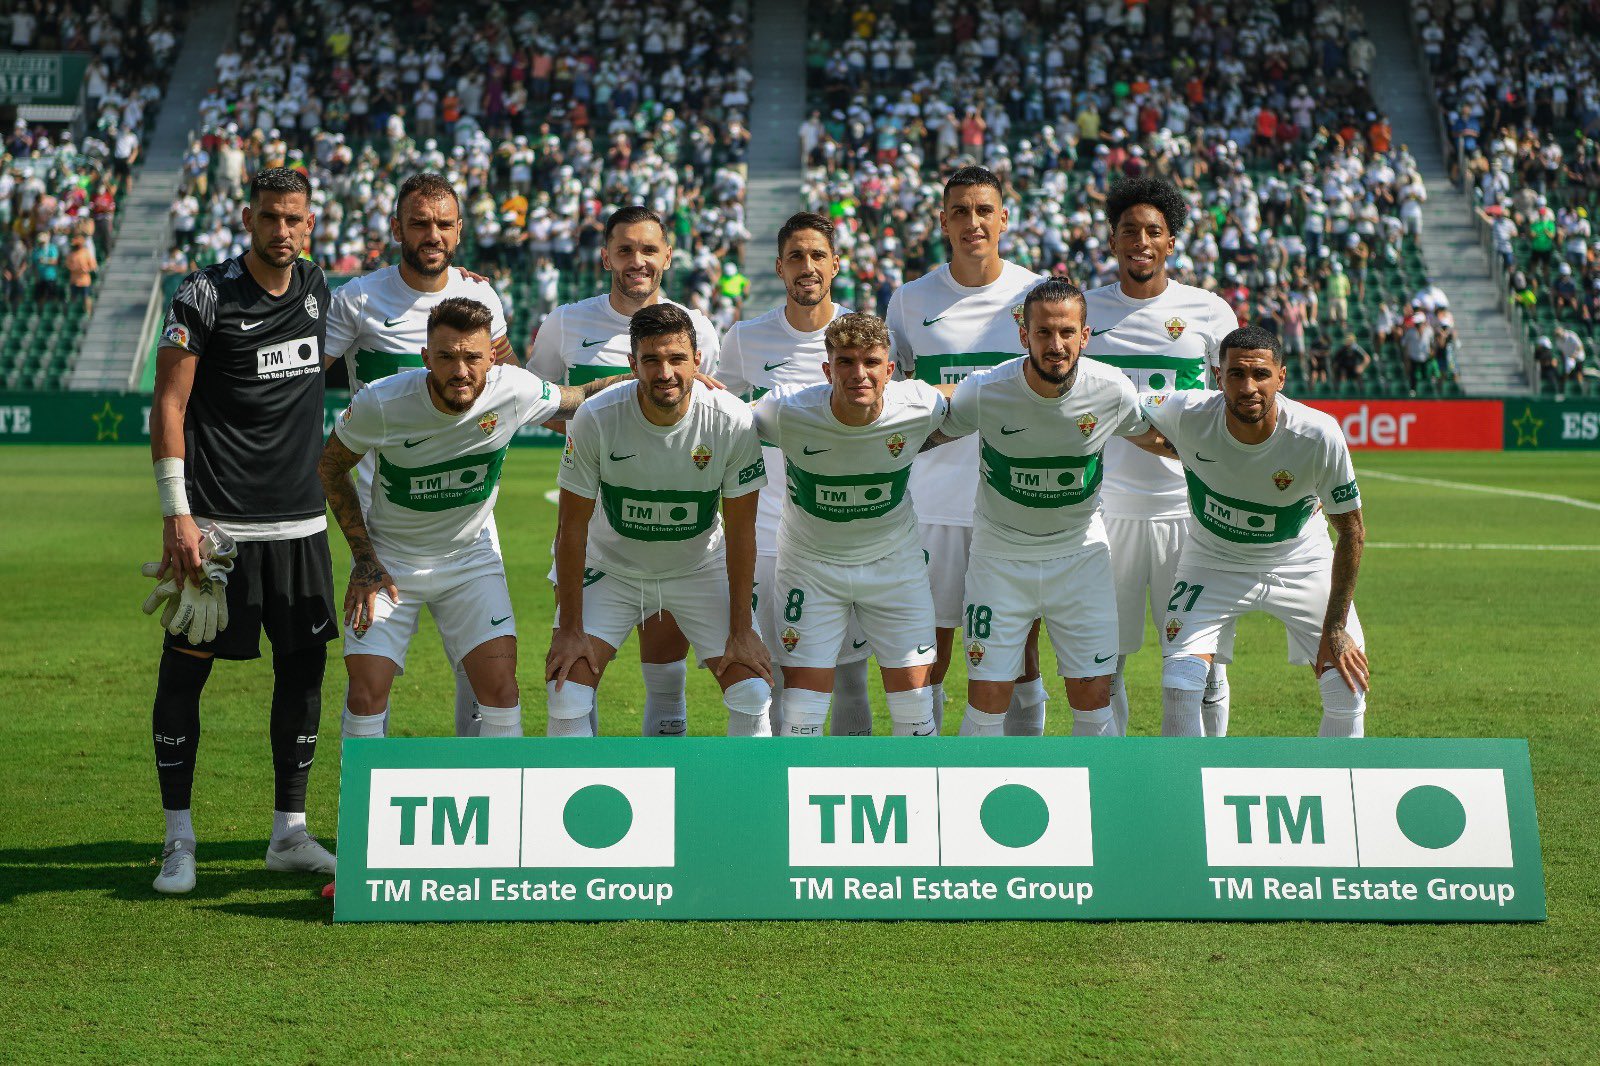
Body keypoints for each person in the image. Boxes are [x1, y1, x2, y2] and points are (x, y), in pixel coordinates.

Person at [143, 167, 336, 894]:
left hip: (301, 527)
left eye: (294, 219)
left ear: (309, 223)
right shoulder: (206, 292)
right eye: (269, 218)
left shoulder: (319, 290)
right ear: (247, 216)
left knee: (304, 672)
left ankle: (289, 832)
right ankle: (178, 839)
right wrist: (177, 514)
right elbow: (169, 402)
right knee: (183, 677)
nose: (281, 230)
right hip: (217, 530)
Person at [319, 297, 620, 743]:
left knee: (501, 693)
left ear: (490, 358)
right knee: (365, 696)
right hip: (391, 563)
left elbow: (579, 398)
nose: (460, 370)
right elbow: (330, 466)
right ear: (426, 358)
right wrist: (364, 559)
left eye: (472, 357)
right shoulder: (381, 402)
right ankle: (360, 811)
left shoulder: (513, 388)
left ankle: (499, 809)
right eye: (446, 357)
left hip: (469, 561)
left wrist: (656, 378)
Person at [323, 172, 513, 738]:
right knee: (369, 688)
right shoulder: (358, 299)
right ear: (398, 228)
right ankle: (364, 815)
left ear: (459, 231)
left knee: (482, 676)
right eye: (419, 223)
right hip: (386, 526)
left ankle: (486, 799)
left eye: (443, 224)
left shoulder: (481, 295)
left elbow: (509, 383)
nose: (432, 234)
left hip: (468, 522)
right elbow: (303, 382)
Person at [941, 278, 1172, 736]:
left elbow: (1157, 438)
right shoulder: (986, 391)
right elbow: (925, 432)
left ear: (1085, 336)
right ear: (1023, 334)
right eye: (1043, 332)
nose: (1056, 344)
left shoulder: (1112, 389)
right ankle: (973, 801)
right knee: (987, 702)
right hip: (1000, 557)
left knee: (1093, 697)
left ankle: (1101, 803)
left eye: (1067, 332)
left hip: (1080, 555)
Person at [530, 205, 722, 737]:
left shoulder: (696, 326)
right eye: (625, 250)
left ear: (666, 256)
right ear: (606, 255)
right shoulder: (566, 321)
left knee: (665, 671)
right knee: (576, 670)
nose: (636, 261)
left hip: (671, 525)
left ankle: (667, 790)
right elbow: (535, 401)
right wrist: (594, 435)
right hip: (593, 525)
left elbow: (712, 412)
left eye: (648, 250)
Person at [545, 303, 773, 737]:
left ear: (697, 361)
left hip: (697, 569)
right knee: (566, 696)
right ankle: (570, 799)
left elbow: (743, 533)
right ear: (633, 365)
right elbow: (570, 529)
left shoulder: (730, 420)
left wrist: (742, 629)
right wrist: (569, 628)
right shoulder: (595, 417)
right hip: (612, 569)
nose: (665, 372)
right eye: (651, 360)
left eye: (676, 359)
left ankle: (744, 800)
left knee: (751, 695)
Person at [1141, 325, 1368, 738]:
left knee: (1346, 690)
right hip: (1212, 560)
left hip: (1300, 558)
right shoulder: (1186, 412)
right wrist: (1178, 447)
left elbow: (1352, 532)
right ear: (1217, 376)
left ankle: (1335, 793)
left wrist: (1335, 627)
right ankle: (1186, 797)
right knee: (1179, 686)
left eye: (1261, 374)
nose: (1249, 387)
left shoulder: (1318, 434)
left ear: (1281, 377)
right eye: (1236, 374)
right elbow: (1121, 411)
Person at [886, 164, 1045, 734]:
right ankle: (925, 771)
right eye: (960, 212)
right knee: (930, 652)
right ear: (943, 221)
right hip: (934, 503)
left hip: (1016, 502)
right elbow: (896, 396)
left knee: (1020, 652)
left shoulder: (1036, 295)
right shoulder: (908, 300)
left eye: (984, 211)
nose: (972, 222)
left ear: (1004, 218)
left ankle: (1026, 768)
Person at [1084, 177, 1240, 737]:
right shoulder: (1088, 313)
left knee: (1202, 658)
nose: (1141, 241)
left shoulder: (1209, 310)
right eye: (1130, 230)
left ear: (1171, 242)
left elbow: (1238, 402)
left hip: (1189, 511)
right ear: (1112, 239)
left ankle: (1205, 770)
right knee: (1107, 658)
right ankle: (1116, 775)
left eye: (1154, 231)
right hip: (1106, 514)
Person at [752, 312, 944, 738]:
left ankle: (914, 803)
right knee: (801, 715)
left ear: (890, 370)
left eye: (871, 362)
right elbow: (722, 416)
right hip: (811, 568)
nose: (859, 373)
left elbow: (975, 396)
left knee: (916, 710)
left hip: (894, 567)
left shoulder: (919, 405)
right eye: (845, 362)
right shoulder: (786, 411)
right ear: (827, 369)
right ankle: (799, 803)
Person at [718, 212, 874, 734]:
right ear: (779, 267)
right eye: (796, 257)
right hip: (766, 533)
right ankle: (784, 795)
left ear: (836, 264)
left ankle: (852, 789)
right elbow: (719, 411)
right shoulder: (745, 339)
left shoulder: (866, 336)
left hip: (845, 531)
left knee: (850, 675)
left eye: (817, 256)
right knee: (779, 672)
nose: (807, 267)